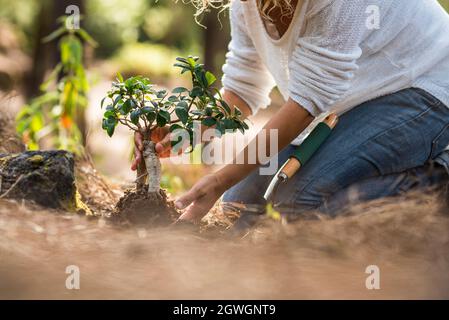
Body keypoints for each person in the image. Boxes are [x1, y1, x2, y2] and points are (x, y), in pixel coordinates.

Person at [133, 0, 449, 223]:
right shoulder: (246, 6)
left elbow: (305, 103)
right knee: (239, 208)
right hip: (346, 106)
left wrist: (220, 179)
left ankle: (437, 181)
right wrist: (185, 133)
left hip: (423, 88)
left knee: (299, 207)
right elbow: (243, 89)